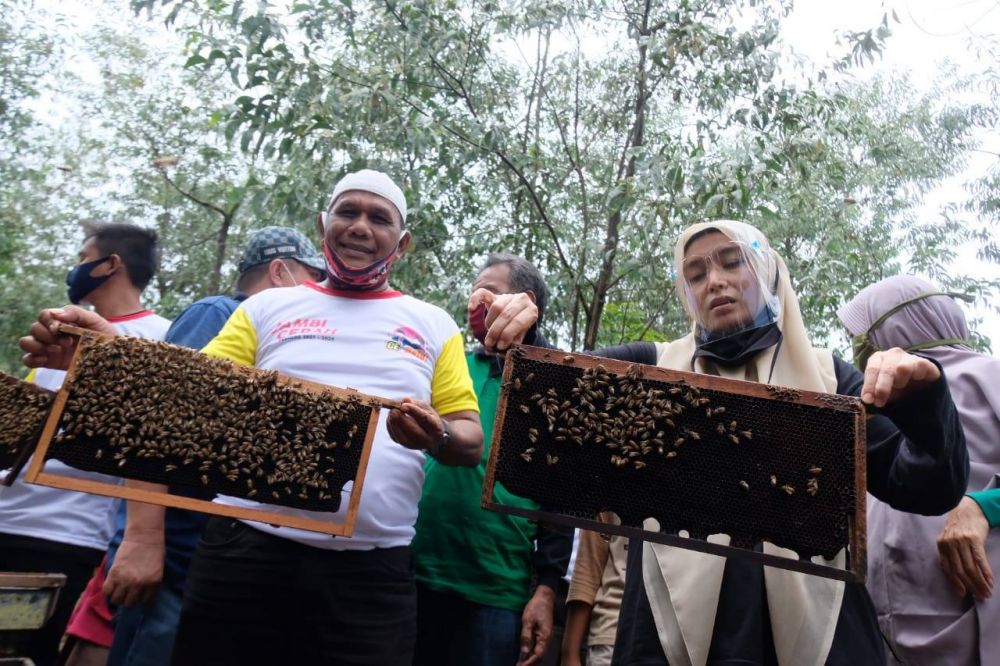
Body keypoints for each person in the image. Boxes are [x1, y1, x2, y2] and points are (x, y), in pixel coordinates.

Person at [20, 169, 484, 666]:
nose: (360, 227)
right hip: (244, 555)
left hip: (372, 574)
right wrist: (105, 355)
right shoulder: (268, 309)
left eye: (379, 218)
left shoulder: (433, 323)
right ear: (323, 222)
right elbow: (189, 399)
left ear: (403, 240)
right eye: (348, 212)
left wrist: (436, 434)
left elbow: (469, 438)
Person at [476, 220, 969, 666]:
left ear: (769, 272)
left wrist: (924, 401)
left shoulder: (832, 378)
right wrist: (522, 331)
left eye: (733, 262)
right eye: (695, 274)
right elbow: (555, 395)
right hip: (666, 631)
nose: (714, 281)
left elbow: (924, 486)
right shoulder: (650, 366)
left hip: (817, 634)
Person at [100, 227, 325, 666]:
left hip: (218, 555)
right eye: (313, 276)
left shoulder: (279, 335)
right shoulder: (219, 313)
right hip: (173, 553)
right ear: (280, 272)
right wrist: (144, 537)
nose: (320, 289)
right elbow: (156, 418)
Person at [0, 223, 170, 666]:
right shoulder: (60, 335)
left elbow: (153, 446)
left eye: (82, 258)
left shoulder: (163, 338)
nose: (76, 270)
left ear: (110, 264)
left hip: (66, 537)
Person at [411, 254, 573, 666]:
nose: (476, 302)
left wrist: (548, 587)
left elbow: (561, 495)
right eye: (474, 293)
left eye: (492, 293)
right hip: (412, 574)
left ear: (526, 303)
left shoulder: (552, 382)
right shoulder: (453, 366)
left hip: (496, 591)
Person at [839, 275, 999, 665]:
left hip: (977, 617)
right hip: (888, 635)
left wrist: (984, 505)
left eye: (866, 331)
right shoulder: (869, 402)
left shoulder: (992, 376)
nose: (859, 345)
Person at [561, 513, 627, 666]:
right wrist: (569, 655)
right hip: (612, 633)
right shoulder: (609, 493)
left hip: (679, 641)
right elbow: (589, 567)